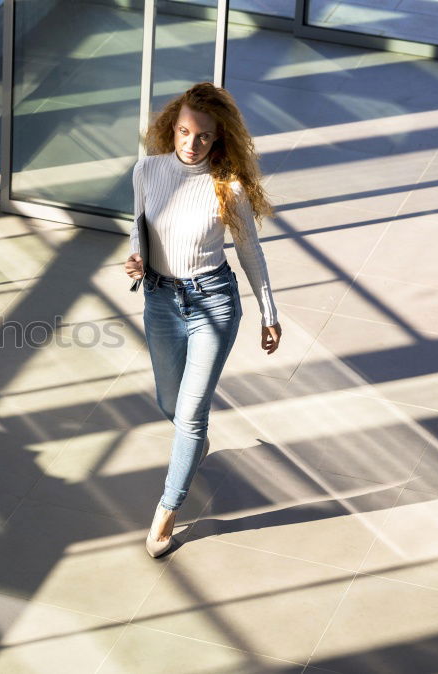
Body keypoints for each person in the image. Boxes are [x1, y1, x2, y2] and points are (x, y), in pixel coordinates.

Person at [124, 82, 282, 558]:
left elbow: (250, 253)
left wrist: (268, 313)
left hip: (213, 302)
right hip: (160, 302)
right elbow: (140, 227)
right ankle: (197, 443)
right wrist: (136, 259)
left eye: (203, 137)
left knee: (190, 416)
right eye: (184, 132)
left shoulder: (226, 187)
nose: (191, 144)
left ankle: (165, 514)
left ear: (219, 139)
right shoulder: (147, 171)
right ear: (172, 127)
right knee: (170, 403)